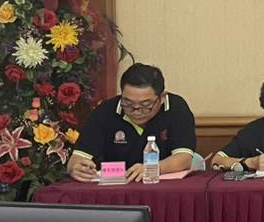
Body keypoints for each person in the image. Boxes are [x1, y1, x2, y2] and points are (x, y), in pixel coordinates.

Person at [67, 63, 197, 183]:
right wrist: (76, 168)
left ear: (162, 98)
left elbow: (184, 158)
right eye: (128, 103)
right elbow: (77, 158)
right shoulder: (106, 111)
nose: (136, 111)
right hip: (115, 188)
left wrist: (152, 168)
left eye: (145, 105)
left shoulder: (176, 108)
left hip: (162, 186)